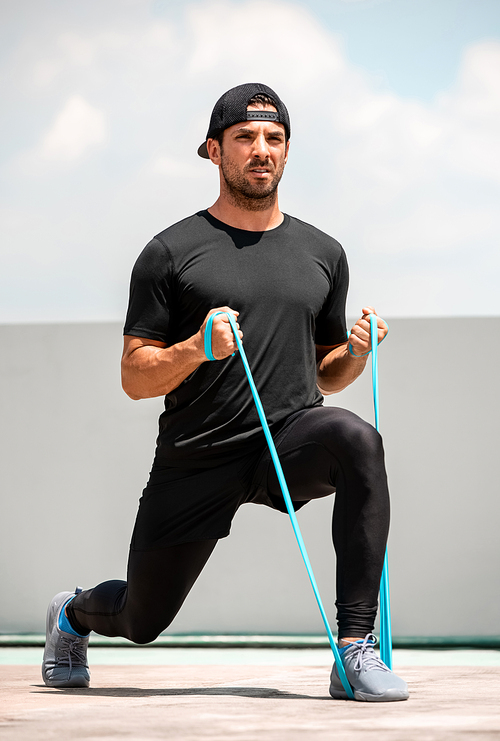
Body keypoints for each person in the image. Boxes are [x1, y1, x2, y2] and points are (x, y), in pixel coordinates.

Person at [42, 82, 409, 702]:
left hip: (286, 439)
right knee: (142, 619)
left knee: (357, 439)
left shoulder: (324, 253)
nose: (260, 150)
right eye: (244, 137)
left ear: (287, 152)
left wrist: (355, 354)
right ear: (214, 150)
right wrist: (195, 349)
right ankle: (72, 614)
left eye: (274, 138)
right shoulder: (170, 252)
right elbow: (135, 377)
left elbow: (326, 373)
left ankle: (354, 649)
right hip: (199, 453)